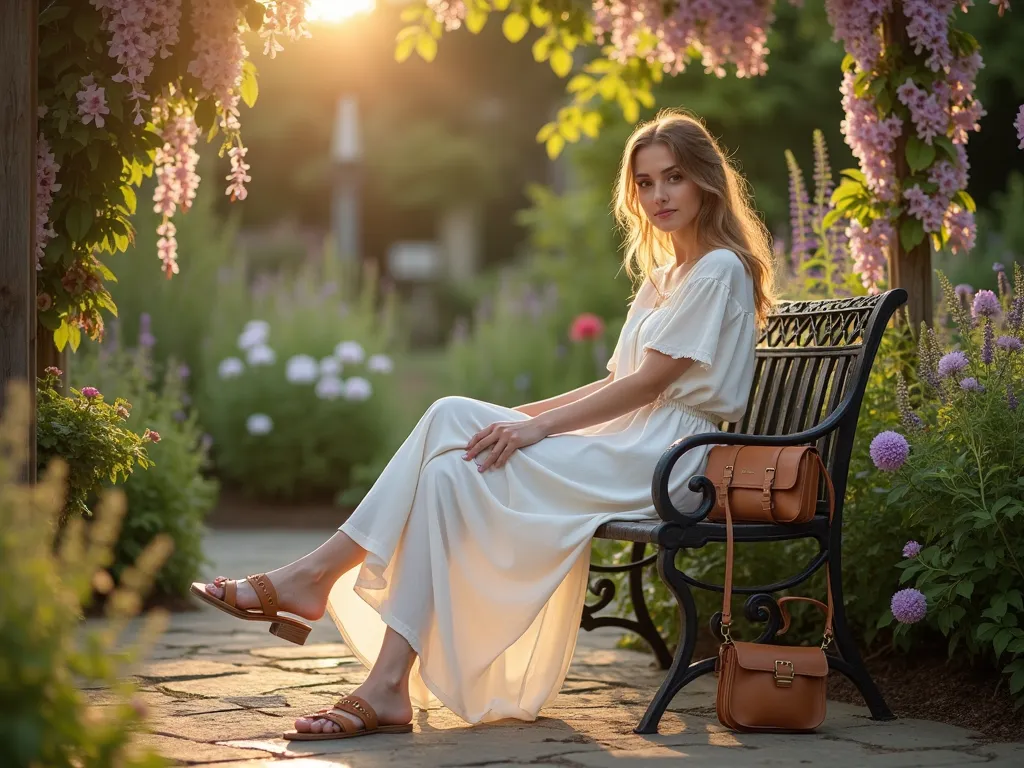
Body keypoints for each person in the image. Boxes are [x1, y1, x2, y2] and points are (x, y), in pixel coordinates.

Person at [191, 108, 775, 742]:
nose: (659, 195)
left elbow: (647, 385)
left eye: (674, 178)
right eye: (645, 182)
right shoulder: (666, 275)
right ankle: (386, 686)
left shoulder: (718, 268)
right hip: (630, 441)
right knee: (448, 456)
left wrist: (534, 431)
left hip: (672, 458)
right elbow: (615, 383)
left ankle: (312, 578)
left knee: (451, 428)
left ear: (706, 183)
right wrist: (515, 419)